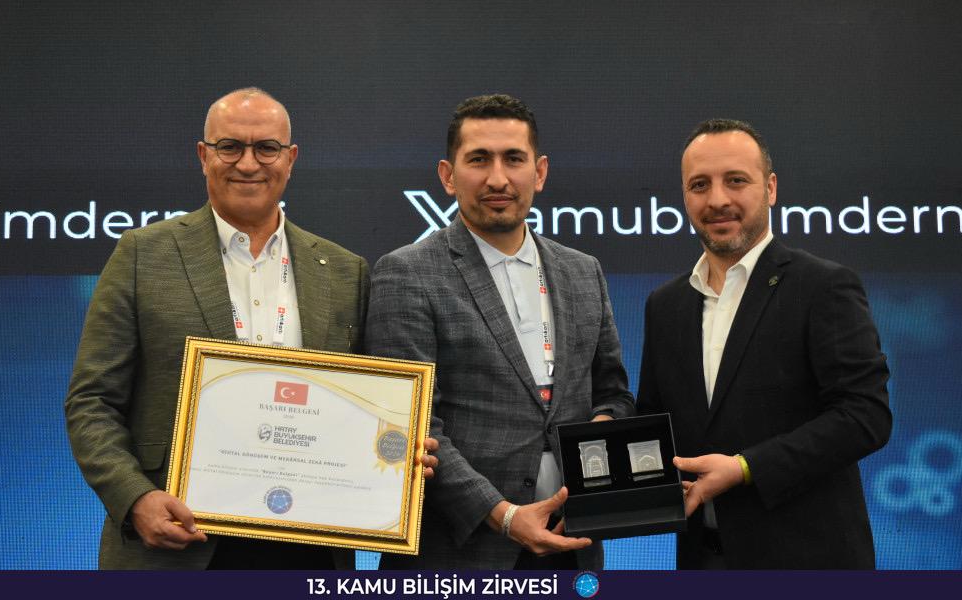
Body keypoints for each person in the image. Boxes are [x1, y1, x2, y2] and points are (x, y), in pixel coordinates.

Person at [65, 88, 435, 569]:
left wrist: (401, 448)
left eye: (266, 148)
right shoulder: (143, 254)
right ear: (203, 156)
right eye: (230, 147)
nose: (247, 163)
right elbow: (92, 402)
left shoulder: (345, 271)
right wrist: (135, 498)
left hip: (310, 548)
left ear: (290, 159)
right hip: (179, 543)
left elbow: (368, 406)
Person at [366, 94, 636, 569]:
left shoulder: (583, 271)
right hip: (461, 554)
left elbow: (612, 393)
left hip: (574, 546)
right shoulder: (406, 273)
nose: (497, 178)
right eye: (478, 160)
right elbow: (413, 425)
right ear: (448, 176)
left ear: (540, 172)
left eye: (514, 159)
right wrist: (505, 515)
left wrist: (598, 435)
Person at [636, 118, 891, 569]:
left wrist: (744, 467)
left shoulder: (823, 286)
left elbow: (865, 416)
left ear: (770, 188)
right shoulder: (665, 305)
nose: (718, 199)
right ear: (685, 196)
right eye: (700, 185)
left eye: (736, 180)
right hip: (702, 563)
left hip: (808, 564)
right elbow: (654, 424)